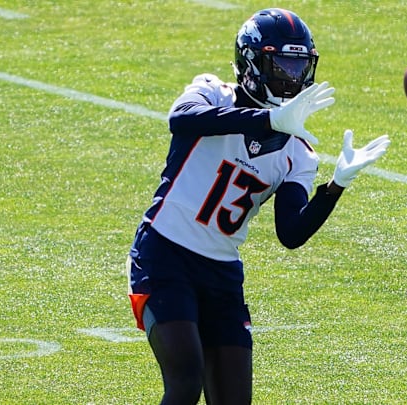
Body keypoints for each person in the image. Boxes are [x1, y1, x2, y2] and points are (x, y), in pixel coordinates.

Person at [127, 8, 390, 405]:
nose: (291, 77)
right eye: (281, 64)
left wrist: (336, 185)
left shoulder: (298, 152)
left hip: (221, 274)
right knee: (185, 383)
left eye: (298, 66)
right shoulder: (213, 91)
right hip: (165, 255)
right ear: (251, 63)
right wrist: (268, 120)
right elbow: (182, 119)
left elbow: (291, 233)